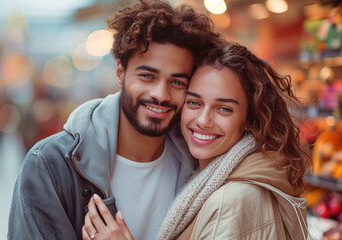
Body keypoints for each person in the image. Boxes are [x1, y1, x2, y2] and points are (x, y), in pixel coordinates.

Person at [7, 0, 223, 239]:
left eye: (177, 82)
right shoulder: (49, 166)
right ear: (120, 73)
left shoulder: (201, 169)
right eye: (148, 76)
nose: (161, 94)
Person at [82, 42, 312, 240]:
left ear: (250, 120)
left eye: (224, 108)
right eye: (194, 103)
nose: (203, 121)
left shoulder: (229, 201)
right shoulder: (241, 175)